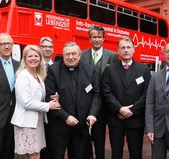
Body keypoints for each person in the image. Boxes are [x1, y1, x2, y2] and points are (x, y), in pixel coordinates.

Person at [45, 42, 101, 159]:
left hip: (81, 126)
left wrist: (92, 114)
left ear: (80, 55)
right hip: (59, 125)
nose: (70, 57)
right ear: (63, 56)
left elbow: (96, 95)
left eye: (73, 54)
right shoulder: (53, 70)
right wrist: (65, 117)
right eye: (67, 54)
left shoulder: (90, 70)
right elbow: (49, 97)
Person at [102, 36, 151, 159]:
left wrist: (132, 110)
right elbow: (106, 92)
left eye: (128, 47)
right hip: (116, 119)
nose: (126, 50)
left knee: (136, 153)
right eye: (122, 47)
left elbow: (147, 93)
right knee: (116, 153)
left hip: (135, 119)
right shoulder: (110, 70)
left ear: (134, 49)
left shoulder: (144, 70)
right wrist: (120, 109)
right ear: (118, 51)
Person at [11, 45, 61, 159]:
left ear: (40, 58)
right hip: (27, 122)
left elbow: (39, 96)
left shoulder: (38, 75)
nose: (33, 58)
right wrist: (48, 105)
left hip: (37, 121)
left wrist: (53, 98)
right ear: (24, 59)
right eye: (30, 56)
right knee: (34, 155)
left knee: (36, 154)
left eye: (36, 56)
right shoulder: (23, 76)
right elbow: (26, 103)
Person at [81, 25, 118, 159]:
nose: (97, 39)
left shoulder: (113, 56)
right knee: (84, 137)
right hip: (85, 102)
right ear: (90, 39)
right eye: (94, 37)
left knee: (100, 138)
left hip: (103, 104)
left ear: (103, 39)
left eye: (99, 37)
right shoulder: (82, 55)